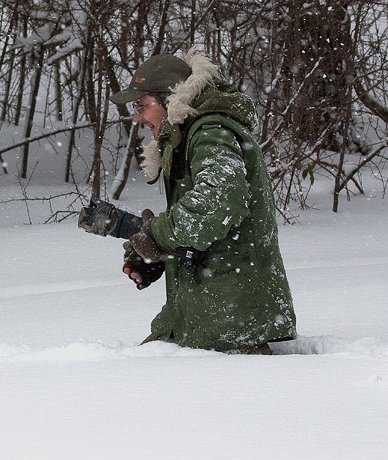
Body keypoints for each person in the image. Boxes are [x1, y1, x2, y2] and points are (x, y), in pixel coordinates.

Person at [103, 48, 296, 353]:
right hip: (207, 312)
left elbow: (216, 205)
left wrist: (157, 234)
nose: (137, 118)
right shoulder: (189, 134)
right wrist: (164, 257)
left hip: (230, 320)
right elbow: (208, 226)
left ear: (170, 99)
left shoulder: (209, 132)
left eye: (142, 106)